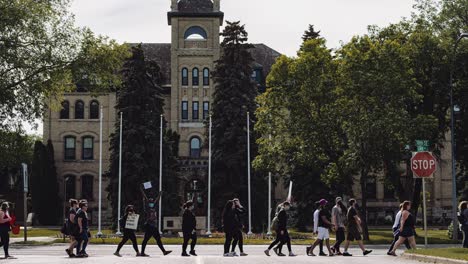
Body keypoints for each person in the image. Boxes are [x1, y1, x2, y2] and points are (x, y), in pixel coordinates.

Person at [139, 190, 171, 256]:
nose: (152, 203)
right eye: (150, 202)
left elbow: (157, 201)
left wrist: (159, 195)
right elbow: (145, 198)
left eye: (152, 202)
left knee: (154, 239)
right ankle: (142, 252)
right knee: (149, 239)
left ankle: (163, 251)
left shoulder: (154, 207)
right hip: (150, 226)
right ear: (148, 203)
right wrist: (142, 191)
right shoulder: (147, 208)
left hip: (153, 226)